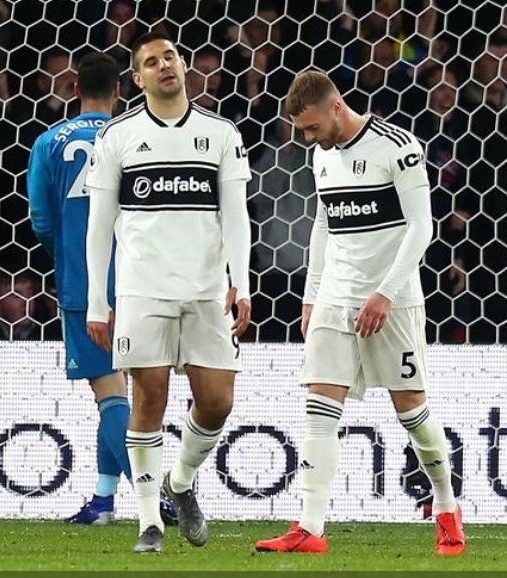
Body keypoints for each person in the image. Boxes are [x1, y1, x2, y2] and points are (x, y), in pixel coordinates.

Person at [253, 70, 465, 555]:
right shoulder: (320, 155)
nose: (307, 139)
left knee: (411, 412)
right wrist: (312, 295)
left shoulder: (398, 146)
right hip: (336, 297)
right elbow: (324, 225)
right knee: (318, 411)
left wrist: (386, 294)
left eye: (310, 128)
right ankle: (309, 528)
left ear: (335, 107)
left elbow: (421, 228)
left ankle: (446, 506)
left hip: (393, 302)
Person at [85, 32, 251, 553]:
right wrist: (97, 299)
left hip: (206, 291)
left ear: (183, 66)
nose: (164, 66)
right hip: (142, 291)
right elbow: (99, 224)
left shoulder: (220, 132)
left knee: (218, 403)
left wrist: (240, 280)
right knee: (149, 396)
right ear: (136, 79)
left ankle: (180, 483)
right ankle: (147, 522)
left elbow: (237, 216)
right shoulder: (118, 136)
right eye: (151, 62)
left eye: (171, 57)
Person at [29, 52, 176, 526]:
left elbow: (41, 221)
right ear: (121, 91)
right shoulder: (134, 135)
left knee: (109, 393)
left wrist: (73, 250)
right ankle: (103, 500)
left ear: (75, 90)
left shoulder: (48, 142)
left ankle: (157, 500)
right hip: (142, 279)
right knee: (124, 393)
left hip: (82, 285)